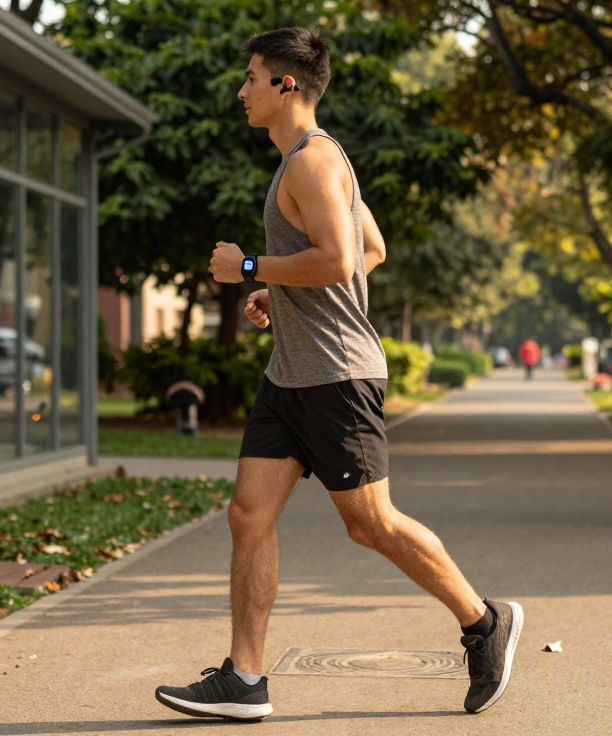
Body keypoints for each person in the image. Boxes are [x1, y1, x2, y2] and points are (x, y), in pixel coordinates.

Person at [153, 26, 523, 722]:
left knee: (371, 524)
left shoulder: (312, 164)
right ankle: (245, 678)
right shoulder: (309, 159)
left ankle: (483, 623)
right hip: (290, 376)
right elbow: (369, 246)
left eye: (253, 76)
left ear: (286, 85)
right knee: (248, 516)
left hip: (335, 376)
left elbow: (344, 260)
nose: (242, 89)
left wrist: (252, 269)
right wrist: (282, 291)